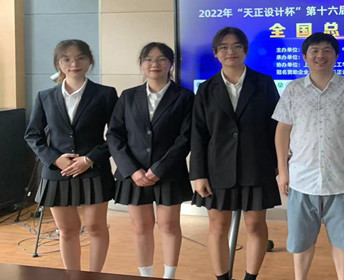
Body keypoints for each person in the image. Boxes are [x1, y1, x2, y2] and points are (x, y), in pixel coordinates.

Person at [273, 32, 344, 280]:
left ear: (336, 55)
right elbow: (282, 131)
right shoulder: (293, 90)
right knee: (301, 241)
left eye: (327, 50)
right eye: (314, 50)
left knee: (343, 241)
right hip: (301, 179)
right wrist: (283, 171)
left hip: (341, 178)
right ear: (304, 56)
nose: (320, 55)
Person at [190, 27, 281, 280]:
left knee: (255, 225)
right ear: (215, 53)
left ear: (245, 50)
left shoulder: (264, 83)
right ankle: (222, 278)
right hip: (216, 169)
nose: (230, 51)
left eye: (237, 46)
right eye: (223, 47)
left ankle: (250, 277)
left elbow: (275, 127)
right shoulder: (206, 89)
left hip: (257, 165)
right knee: (218, 226)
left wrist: (276, 165)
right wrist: (198, 174)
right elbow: (198, 134)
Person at [24, 39, 118, 272]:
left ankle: (95, 275)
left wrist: (89, 159)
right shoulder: (45, 96)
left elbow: (116, 135)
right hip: (58, 172)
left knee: (96, 228)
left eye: (80, 58)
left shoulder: (105, 94)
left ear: (90, 61)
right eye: (66, 59)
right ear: (58, 63)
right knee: (67, 231)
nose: (74, 64)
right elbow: (33, 135)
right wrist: (55, 159)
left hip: (94, 169)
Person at [107, 42, 193, 279]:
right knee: (141, 227)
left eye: (162, 59)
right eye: (148, 59)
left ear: (171, 64)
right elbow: (114, 135)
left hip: (169, 172)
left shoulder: (185, 97)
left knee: (169, 225)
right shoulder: (128, 96)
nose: (155, 64)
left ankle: (169, 275)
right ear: (141, 64)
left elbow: (186, 137)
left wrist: (159, 169)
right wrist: (132, 170)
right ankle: (145, 275)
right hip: (133, 173)